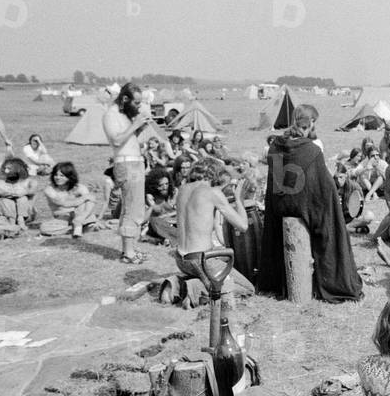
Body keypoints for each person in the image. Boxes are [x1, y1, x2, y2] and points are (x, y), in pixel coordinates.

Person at [258, 104, 364, 303]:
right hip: (303, 204)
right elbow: (323, 186)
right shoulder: (312, 150)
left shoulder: (275, 146)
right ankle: (333, 280)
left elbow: (276, 181)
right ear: (311, 122)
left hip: (280, 204)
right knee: (330, 223)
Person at [173, 159, 254, 306]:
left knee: (221, 257)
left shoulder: (182, 189)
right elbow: (243, 226)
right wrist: (238, 198)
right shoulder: (212, 193)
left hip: (180, 259)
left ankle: (179, 283)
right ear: (215, 174)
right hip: (201, 260)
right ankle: (195, 289)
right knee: (247, 289)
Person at [103, 82, 153, 264]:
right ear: (125, 99)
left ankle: (129, 249)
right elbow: (116, 141)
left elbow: (129, 140)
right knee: (132, 208)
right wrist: (136, 125)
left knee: (133, 207)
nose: (138, 106)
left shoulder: (124, 115)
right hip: (127, 165)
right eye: (137, 103)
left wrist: (140, 128)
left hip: (135, 162)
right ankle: (128, 253)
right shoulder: (111, 114)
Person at [42, 161, 99, 238]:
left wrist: (81, 217)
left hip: (80, 215)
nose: (58, 178)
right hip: (62, 218)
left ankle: (79, 225)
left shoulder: (79, 187)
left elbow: (91, 200)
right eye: (56, 175)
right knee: (43, 228)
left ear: (69, 177)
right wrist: (83, 198)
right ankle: (76, 228)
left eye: (62, 176)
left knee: (85, 204)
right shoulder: (49, 189)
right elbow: (63, 203)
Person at [0, 157, 38, 227]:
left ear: (17, 169)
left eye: (9, 169)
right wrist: (9, 194)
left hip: (26, 214)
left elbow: (33, 191)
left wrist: (24, 193)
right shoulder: (1, 181)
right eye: (5, 168)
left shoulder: (29, 181)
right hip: (8, 214)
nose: (5, 171)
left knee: (22, 198)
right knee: (6, 200)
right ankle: (12, 222)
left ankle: (21, 220)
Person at [144, 166, 178, 244]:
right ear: (154, 186)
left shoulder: (174, 192)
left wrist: (167, 215)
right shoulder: (150, 197)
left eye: (166, 184)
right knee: (154, 220)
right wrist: (151, 204)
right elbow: (157, 210)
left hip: (174, 222)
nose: (165, 187)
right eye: (161, 185)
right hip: (158, 225)